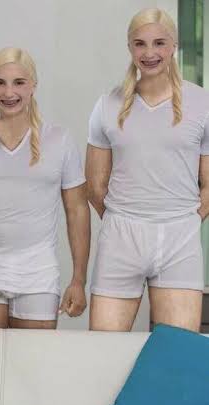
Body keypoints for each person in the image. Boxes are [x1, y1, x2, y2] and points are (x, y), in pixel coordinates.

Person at [86, 8, 209, 332]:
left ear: (174, 46)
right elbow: (95, 186)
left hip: (179, 238)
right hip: (121, 236)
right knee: (103, 351)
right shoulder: (107, 105)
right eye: (140, 43)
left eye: (159, 43)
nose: (149, 52)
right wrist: (126, 219)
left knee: (177, 351)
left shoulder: (202, 103)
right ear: (130, 47)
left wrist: (184, 220)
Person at [0, 47, 90, 329]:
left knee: (34, 358)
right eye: (0, 83)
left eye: (19, 82)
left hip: (38, 276)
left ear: (33, 85)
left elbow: (77, 210)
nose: (9, 92)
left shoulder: (60, 140)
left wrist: (79, 280)